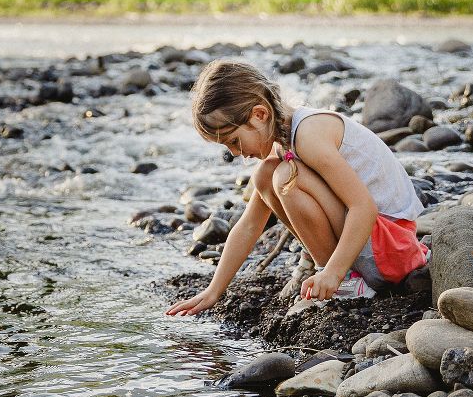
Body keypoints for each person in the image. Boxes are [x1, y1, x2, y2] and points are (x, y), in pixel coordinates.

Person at [166, 58, 428, 317]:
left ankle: (346, 282)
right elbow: (248, 225)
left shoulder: (308, 135)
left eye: (234, 141)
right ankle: (336, 272)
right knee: (265, 176)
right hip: (373, 246)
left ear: (259, 114)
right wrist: (213, 291)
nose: (236, 153)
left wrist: (332, 273)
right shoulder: (282, 142)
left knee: (286, 177)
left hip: (391, 253)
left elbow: (364, 207)